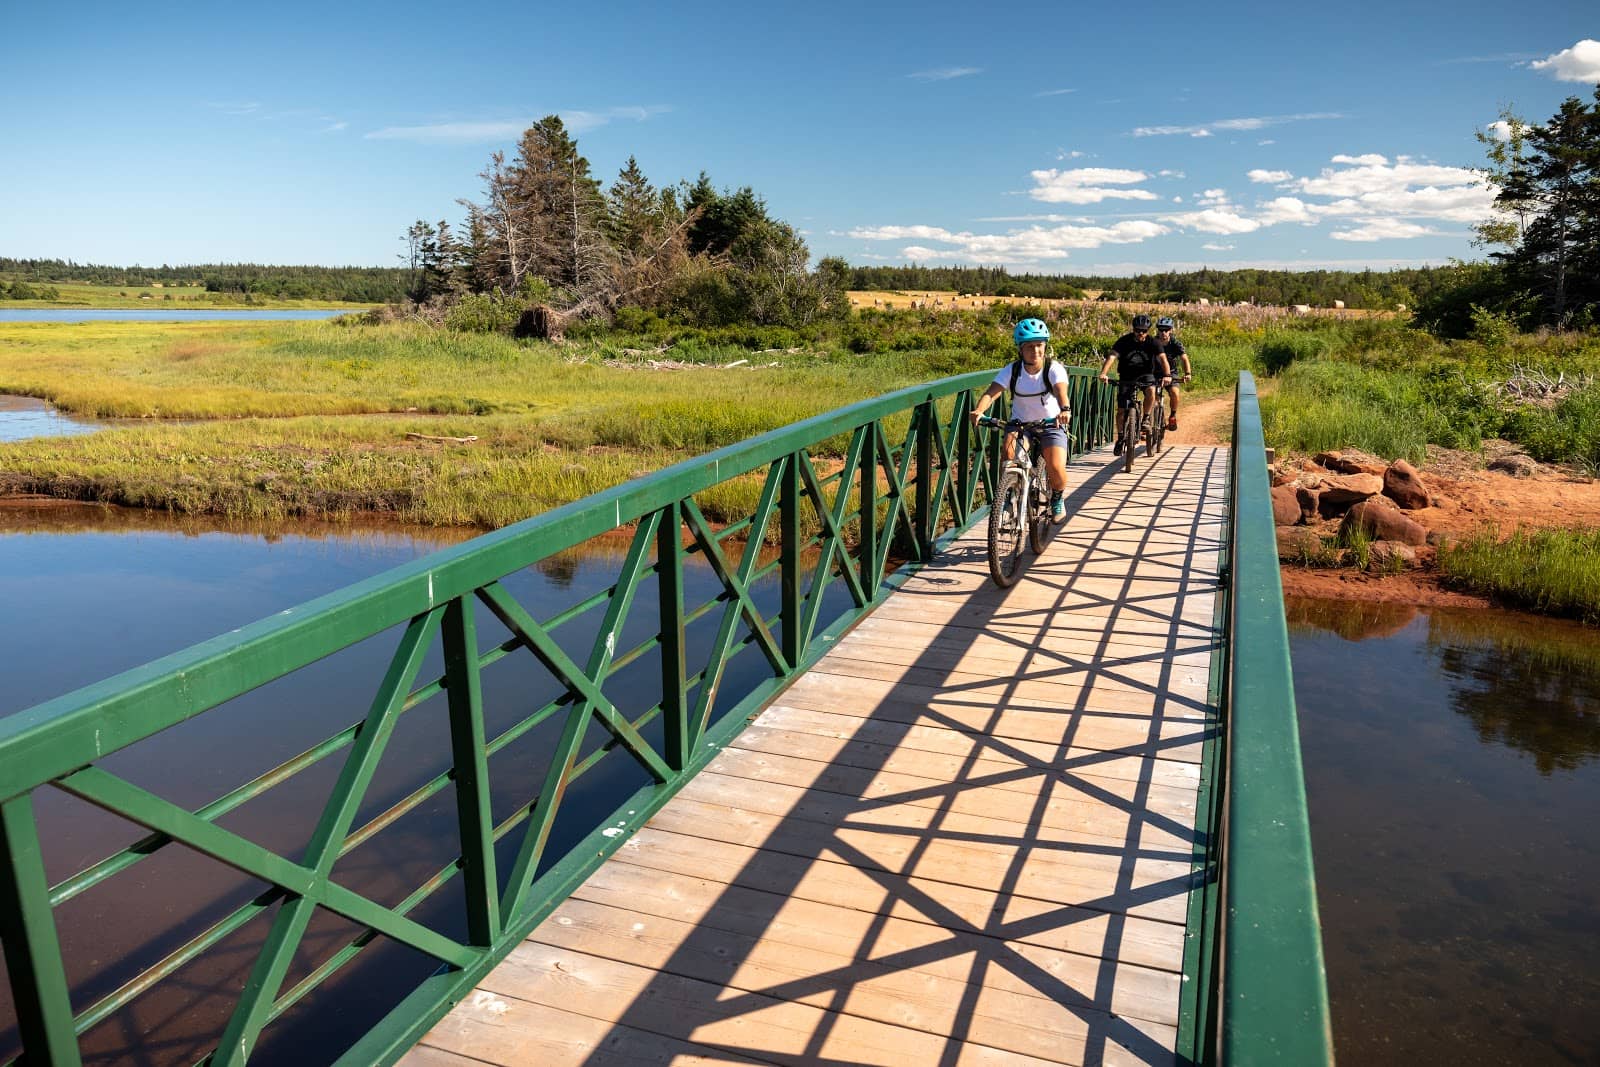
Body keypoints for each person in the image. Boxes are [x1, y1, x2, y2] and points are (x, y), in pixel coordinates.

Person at [969, 317, 1073, 521]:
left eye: (1039, 346)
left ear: (1045, 346)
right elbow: (992, 392)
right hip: (1020, 424)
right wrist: (979, 411)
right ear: (1020, 349)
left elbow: (1061, 391)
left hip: (1050, 423)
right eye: (1029, 347)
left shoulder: (1053, 368)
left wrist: (1065, 409)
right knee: (1008, 456)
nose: (1035, 351)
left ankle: (1057, 498)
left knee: (1056, 467)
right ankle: (1009, 496)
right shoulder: (1013, 370)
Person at [1097, 314, 1171, 455]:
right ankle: (1120, 438)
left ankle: (1146, 418)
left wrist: (1167, 375)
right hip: (1126, 376)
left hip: (1146, 375)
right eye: (1137, 330)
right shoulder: (1124, 341)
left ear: (1148, 331)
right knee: (1121, 410)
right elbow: (1112, 356)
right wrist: (1103, 373)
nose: (1140, 333)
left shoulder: (1153, 343)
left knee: (1151, 390)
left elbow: (1163, 359)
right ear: (1133, 329)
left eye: (1143, 331)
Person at [1155, 316, 1191, 430]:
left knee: (1175, 393)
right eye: (1161, 330)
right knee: (1151, 396)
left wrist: (1188, 373)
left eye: (1166, 330)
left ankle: (1172, 416)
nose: (1163, 332)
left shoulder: (1175, 343)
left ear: (1171, 330)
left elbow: (1184, 359)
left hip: (1171, 373)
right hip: (1154, 373)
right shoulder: (1152, 342)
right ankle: (1150, 422)